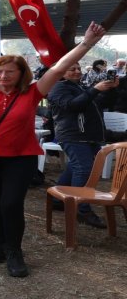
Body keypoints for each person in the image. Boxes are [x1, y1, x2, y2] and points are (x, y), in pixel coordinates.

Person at [0, 21, 107, 278]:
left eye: (9, 72)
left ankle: (14, 251)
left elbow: (59, 67)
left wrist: (87, 43)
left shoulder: (33, 92)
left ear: (21, 73)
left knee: (11, 204)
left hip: (20, 159)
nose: (3, 76)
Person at [47, 62, 118, 228]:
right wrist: (95, 89)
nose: (77, 71)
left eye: (79, 68)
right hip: (73, 135)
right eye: (72, 69)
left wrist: (110, 88)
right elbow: (73, 105)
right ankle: (81, 209)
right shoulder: (58, 87)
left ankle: (58, 200)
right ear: (61, 72)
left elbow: (101, 103)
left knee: (76, 166)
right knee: (83, 168)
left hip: (87, 136)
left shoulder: (79, 86)